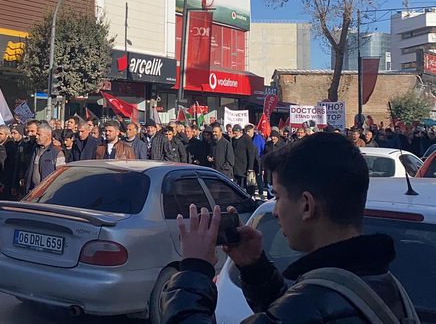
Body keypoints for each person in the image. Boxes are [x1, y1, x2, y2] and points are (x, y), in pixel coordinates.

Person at [162, 133, 420, 323]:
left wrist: (194, 270)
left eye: (277, 196)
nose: (274, 210)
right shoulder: (383, 284)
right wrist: (255, 268)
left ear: (306, 205)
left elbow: (302, 311)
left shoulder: (314, 300)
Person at [23, 123, 58, 193]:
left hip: (47, 192)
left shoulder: (57, 151)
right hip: (32, 191)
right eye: (37, 134)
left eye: (39, 135)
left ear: (48, 136)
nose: (36, 137)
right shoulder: (35, 149)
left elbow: (60, 176)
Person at [231, 125, 257, 190]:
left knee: (242, 187)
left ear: (240, 132)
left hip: (243, 168)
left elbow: (251, 154)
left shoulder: (246, 139)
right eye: (233, 133)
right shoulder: (232, 139)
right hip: (234, 167)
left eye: (236, 133)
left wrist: (250, 167)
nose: (234, 135)